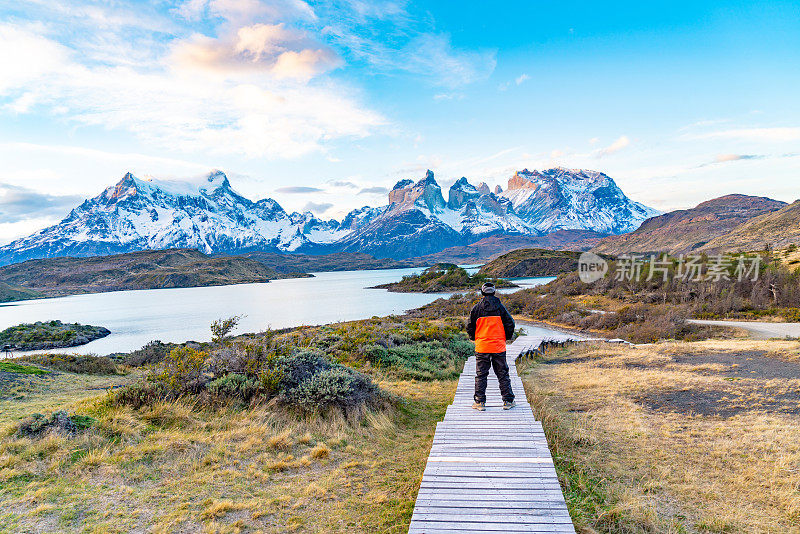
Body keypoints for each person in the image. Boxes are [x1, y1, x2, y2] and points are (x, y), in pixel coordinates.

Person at [466, 282, 516, 411]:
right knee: (502, 374)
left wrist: (474, 337)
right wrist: (506, 337)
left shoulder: (476, 308)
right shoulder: (501, 308)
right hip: (498, 346)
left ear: (482, 293)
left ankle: (479, 402)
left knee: (481, 374)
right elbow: (510, 323)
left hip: (482, 346)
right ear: (494, 292)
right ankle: (508, 401)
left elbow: (469, 326)